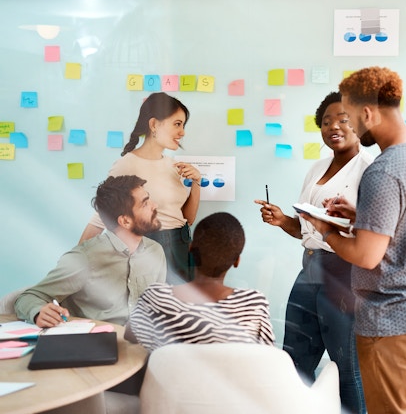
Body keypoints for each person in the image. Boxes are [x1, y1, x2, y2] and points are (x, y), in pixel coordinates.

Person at [300, 67, 406, 414]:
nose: (350, 126)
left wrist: (324, 229)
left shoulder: (383, 170)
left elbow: (366, 256)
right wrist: (360, 215)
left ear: (367, 113)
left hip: (392, 319)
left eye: (351, 118)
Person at [254, 91, 373, 414]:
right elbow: (308, 231)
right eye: (326, 121)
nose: (333, 126)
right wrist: (283, 221)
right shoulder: (317, 168)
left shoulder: (369, 169)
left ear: (359, 124)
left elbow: (370, 231)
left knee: (346, 367)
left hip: (344, 272)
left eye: (343, 120)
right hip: (310, 268)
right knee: (294, 362)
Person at [79, 92, 201, 284]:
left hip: (182, 247)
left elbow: (187, 218)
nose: (182, 132)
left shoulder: (173, 165)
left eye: (183, 125)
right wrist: (76, 262)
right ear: (154, 124)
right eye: (177, 124)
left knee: (184, 310)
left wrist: (196, 184)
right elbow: (101, 217)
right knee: (156, 310)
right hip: (152, 248)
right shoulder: (127, 164)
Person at [15, 175, 166, 327]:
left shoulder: (155, 251)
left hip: (144, 340)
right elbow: (28, 297)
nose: (155, 205)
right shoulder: (84, 258)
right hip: (97, 343)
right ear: (125, 221)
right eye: (145, 204)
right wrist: (38, 311)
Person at [125, 212, 275, 351]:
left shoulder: (155, 297)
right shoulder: (253, 305)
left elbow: (130, 337)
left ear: (190, 250)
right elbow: (266, 356)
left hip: (169, 379)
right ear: (237, 261)